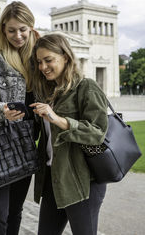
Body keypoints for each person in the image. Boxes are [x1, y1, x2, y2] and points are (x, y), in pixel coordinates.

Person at [30, 33, 108, 235]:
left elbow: (98, 133)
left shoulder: (86, 87)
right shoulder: (48, 92)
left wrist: (58, 120)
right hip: (53, 179)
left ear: (65, 57)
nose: (43, 67)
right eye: (39, 62)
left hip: (82, 183)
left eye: (48, 60)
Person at [0, 1, 40, 235]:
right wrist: (3, 109)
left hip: (25, 144)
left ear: (31, 27)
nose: (17, 35)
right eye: (11, 30)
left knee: (15, 211)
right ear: (3, 29)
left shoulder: (39, 58)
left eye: (23, 29)